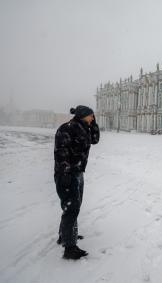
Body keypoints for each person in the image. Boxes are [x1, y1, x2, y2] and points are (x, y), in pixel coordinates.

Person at [54, 105, 100, 260]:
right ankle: (69, 247)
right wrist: (65, 172)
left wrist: (94, 126)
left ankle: (64, 235)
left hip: (78, 172)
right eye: (91, 116)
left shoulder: (84, 127)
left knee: (74, 206)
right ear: (82, 115)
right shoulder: (67, 128)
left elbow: (95, 140)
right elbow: (61, 152)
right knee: (71, 208)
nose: (92, 118)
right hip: (67, 174)